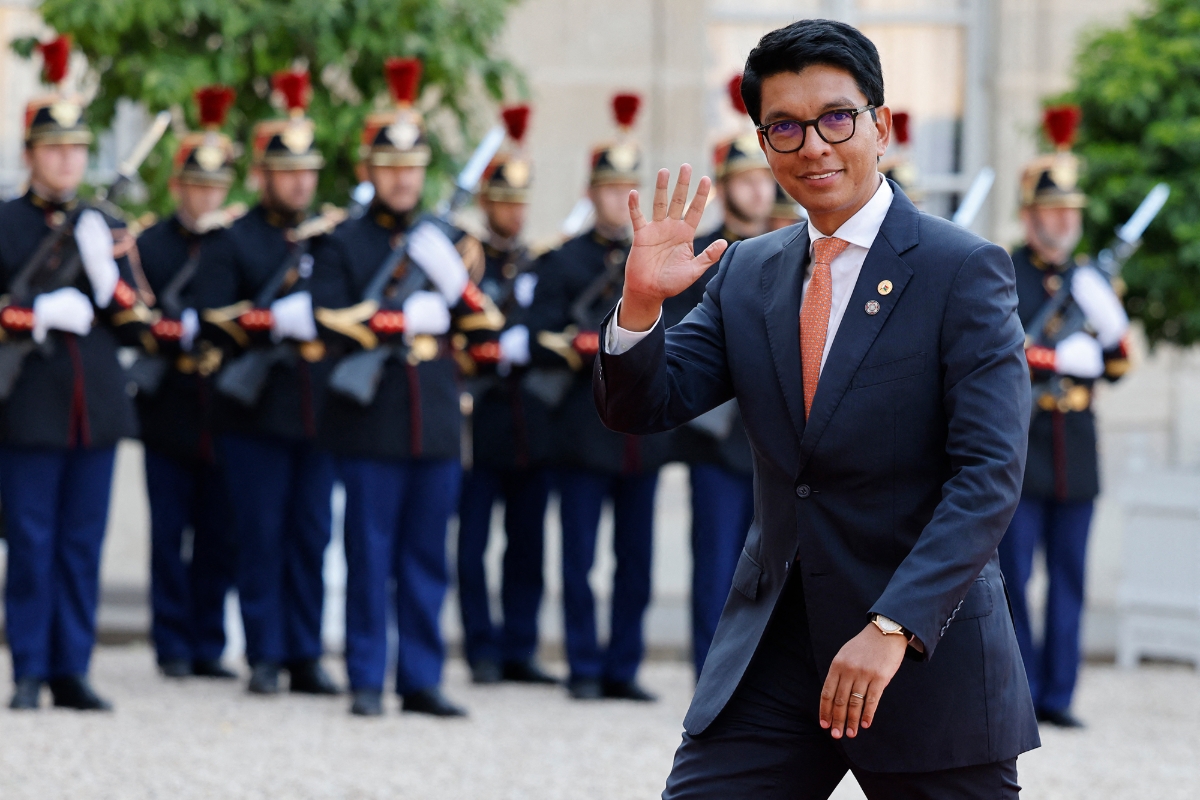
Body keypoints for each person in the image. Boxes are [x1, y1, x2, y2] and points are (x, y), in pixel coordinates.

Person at [593, 19, 1039, 797]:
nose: (815, 146)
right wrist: (637, 308)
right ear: (764, 146)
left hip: (918, 647)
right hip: (775, 649)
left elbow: (989, 475)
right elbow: (647, 404)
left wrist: (893, 625)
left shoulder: (962, 269)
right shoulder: (748, 272)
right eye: (786, 128)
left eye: (837, 118)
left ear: (882, 125)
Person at [310, 57, 501, 717]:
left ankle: (420, 677)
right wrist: (399, 319)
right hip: (372, 419)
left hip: (438, 418)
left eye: (412, 168)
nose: (401, 178)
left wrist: (455, 283)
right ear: (370, 171)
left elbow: (486, 329)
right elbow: (327, 320)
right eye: (389, 168)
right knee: (369, 555)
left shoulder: (446, 240)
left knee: (426, 558)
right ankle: (367, 677)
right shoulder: (343, 243)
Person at [0, 37, 152, 710]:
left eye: (77, 150)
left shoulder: (103, 224)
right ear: (31, 154)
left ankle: (71, 666)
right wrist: (32, 316)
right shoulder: (3, 222)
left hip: (93, 404)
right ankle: (29, 667)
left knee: (81, 544)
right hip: (28, 402)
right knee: (32, 541)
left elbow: (137, 322)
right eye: (54, 149)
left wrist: (104, 277)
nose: (67, 161)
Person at [191, 69, 342, 697]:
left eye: (309, 171)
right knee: (259, 535)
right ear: (264, 175)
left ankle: (304, 652)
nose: (301, 181)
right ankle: (264, 652)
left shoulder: (333, 239)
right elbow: (211, 317)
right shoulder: (234, 239)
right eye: (288, 171)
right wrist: (271, 320)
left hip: (319, 412)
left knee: (310, 536)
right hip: (254, 414)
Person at [526, 94, 667, 702]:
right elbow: (541, 335)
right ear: (593, 193)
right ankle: (583, 664)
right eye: (611, 190)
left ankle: (623, 667)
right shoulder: (564, 261)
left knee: (636, 563)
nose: (620, 199)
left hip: (641, 436)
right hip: (583, 430)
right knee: (579, 560)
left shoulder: (656, 260)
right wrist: (591, 341)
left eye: (629, 188)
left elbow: (674, 332)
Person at [998, 106, 1130, 730]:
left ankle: (1060, 694)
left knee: (1071, 578)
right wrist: (1057, 352)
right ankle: (1018, 689)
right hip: (1019, 446)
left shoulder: (1088, 279)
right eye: (1053, 212)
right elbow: (999, 350)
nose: (1063, 222)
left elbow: (1119, 362)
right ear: (1029, 214)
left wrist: (1106, 333)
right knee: (1014, 577)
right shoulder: (1002, 271)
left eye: (1071, 213)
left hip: (1074, 444)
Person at [662, 74, 770, 679]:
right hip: (719, 437)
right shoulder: (701, 255)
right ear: (725, 186)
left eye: (762, 177)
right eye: (745, 179)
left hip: (777, 439)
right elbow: (683, 345)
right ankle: (711, 681)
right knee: (716, 566)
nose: (757, 189)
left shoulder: (793, 248)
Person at [135, 85, 242, 680]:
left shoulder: (230, 243)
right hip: (169, 401)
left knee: (218, 532)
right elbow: (140, 319)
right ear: (178, 186)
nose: (206, 197)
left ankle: (208, 639)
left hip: (221, 402)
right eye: (197, 186)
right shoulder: (151, 243)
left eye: (216, 187)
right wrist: (175, 330)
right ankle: (171, 641)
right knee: (168, 531)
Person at [455, 104, 558, 687]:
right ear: (487, 202)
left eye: (520, 202)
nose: (513, 213)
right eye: (503, 202)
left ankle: (520, 645)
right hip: (481, 418)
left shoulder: (538, 261)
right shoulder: (468, 259)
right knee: (471, 548)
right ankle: (481, 648)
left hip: (530, 424)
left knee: (527, 547)